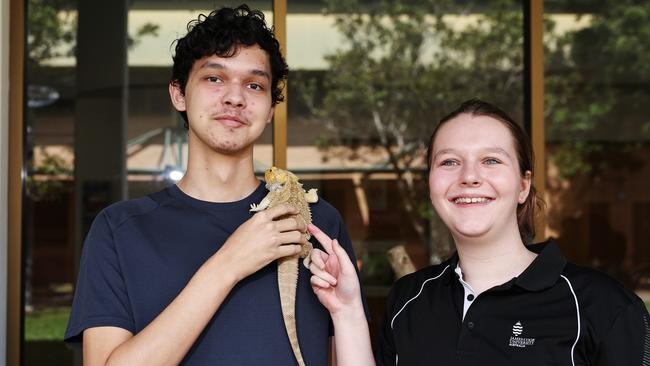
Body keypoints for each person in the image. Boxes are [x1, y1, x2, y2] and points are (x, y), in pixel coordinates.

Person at [64, 5, 361, 365]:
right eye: (214, 78)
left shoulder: (313, 222)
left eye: (254, 85)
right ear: (179, 94)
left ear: (270, 109)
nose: (235, 97)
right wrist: (229, 263)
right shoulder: (119, 230)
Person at [308, 98, 650, 366]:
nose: (469, 176)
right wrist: (346, 310)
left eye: (491, 161)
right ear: (431, 185)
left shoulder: (604, 307)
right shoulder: (408, 300)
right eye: (449, 162)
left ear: (523, 185)